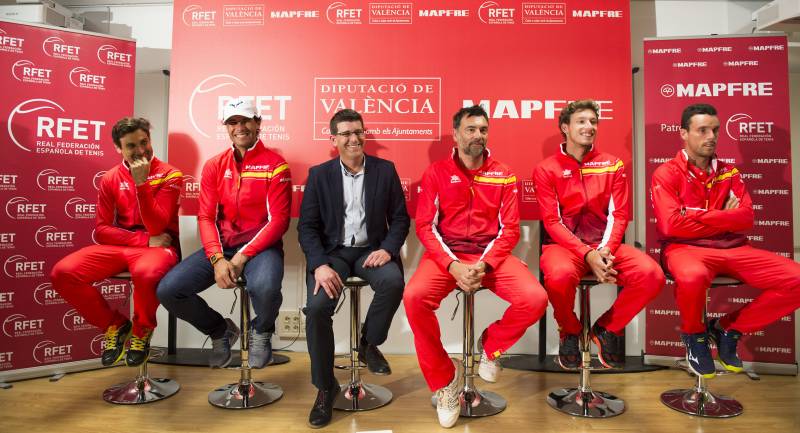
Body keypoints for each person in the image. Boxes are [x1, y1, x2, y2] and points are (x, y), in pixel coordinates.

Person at [403, 105, 548, 428]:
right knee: (414, 298)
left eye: (483, 129)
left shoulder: (504, 173)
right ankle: (445, 381)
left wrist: (483, 264)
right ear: (455, 135)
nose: (478, 135)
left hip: (489, 258)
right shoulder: (437, 172)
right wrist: (453, 265)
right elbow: (426, 227)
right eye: (471, 129)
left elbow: (510, 229)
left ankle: (491, 345)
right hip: (447, 257)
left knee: (535, 298)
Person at [651, 103, 800, 378]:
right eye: (702, 130)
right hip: (685, 249)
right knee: (693, 276)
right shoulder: (666, 173)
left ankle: (728, 329)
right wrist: (723, 215)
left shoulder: (729, 173)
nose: (711, 136)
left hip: (733, 248)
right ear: (683, 133)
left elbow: (745, 218)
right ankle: (695, 337)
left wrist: (697, 216)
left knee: (796, 279)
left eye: (715, 130)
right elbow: (671, 224)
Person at [157, 97, 291, 369]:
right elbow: (206, 217)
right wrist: (218, 259)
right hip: (222, 247)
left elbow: (279, 221)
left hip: (261, 249)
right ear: (227, 128)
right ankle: (220, 331)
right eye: (232, 122)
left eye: (245, 120)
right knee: (170, 290)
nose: (239, 127)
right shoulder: (214, 165)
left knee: (264, 287)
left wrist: (242, 257)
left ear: (258, 123)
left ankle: (261, 331)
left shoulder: (276, 165)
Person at [298, 109, 410, 428]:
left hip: (370, 251)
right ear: (333, 139)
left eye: (358, 132)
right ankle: (324, 388)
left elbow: (400, 219)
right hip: (332, 254)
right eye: (346, 133)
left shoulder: (384, 170)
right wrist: (319, 265)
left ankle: (368, 343)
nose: (353, 138)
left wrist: (388, 249)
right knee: (318, 308)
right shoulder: (319, 175)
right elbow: (307, 227)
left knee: (392, 282)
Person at [533, 99, 664, 370]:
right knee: (557, 277)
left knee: (652, 275)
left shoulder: (612, 165)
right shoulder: (546, 169)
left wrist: (603, 251)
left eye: (593, 122)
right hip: (563, 247)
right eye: (581, 121)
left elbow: (619, 215)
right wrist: (587, 254)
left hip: (606, 246)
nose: (589, 127)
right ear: (565, 128)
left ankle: (606, 328)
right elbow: (552, 222)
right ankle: (569, 330)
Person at [51, 117, 182, 367]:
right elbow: (101, 231)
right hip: (129, 245)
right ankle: (116, 325)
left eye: (144, 142)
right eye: (131, 146)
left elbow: (158, 227)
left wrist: (141, 183)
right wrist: (143, 239)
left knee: (146, 272)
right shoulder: (110, 178)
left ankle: (142, 330)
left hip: (160, 249)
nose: (141, 151)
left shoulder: (170, 174)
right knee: (62, 273)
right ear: (118, 149)